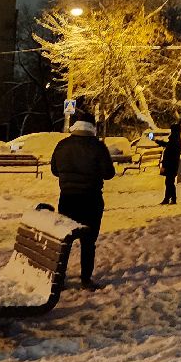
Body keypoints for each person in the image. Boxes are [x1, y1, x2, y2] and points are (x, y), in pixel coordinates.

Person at [51, 107, 114, 289]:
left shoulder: (62, 145)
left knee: (66, 240)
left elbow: (54, 170)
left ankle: (60, 278)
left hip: (67, 200)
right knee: (88, 242)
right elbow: (109, 173)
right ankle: (85, 279)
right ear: (92, 127)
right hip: (91, 200)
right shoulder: (98, 146)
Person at [160, 122, 181, 205]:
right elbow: (168, 145)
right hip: (173, 165)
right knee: (169, 182)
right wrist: (160, 142)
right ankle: (170, 198)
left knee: (169, 182)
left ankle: (170, 198)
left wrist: (164, 165)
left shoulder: (174, 140)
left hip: (170, 165)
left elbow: (169, 153)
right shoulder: (176, 140)